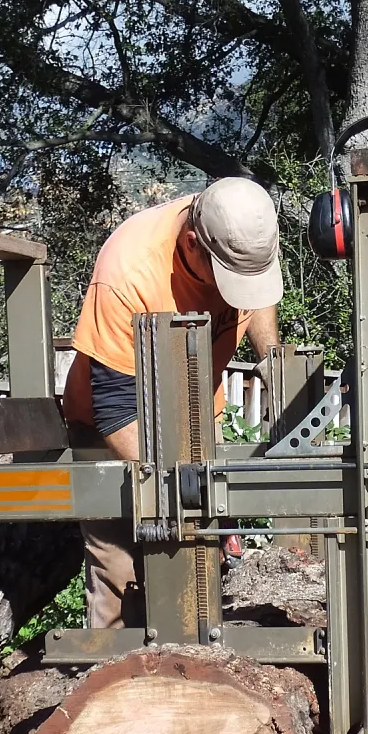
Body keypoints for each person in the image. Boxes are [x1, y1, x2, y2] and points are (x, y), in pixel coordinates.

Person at [62, 177, 283, 628]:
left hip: (196, 412)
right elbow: (116, 412)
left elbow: (256, 292)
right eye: (227, 279)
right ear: (191, 244)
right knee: (122, 574)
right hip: (116, 426)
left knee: (203, 568)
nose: (233, 293)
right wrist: (185, 493)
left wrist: (271, 358)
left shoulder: (242, 231)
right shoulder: (129, 271)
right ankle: (113, 681)